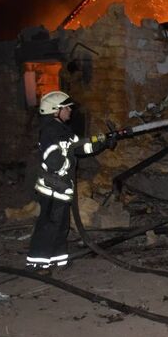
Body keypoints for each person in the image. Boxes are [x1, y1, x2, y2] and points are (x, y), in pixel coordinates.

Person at [26, 90, 114, 271]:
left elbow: (82, 147)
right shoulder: (50, 132)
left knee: (60, 225)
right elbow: (53, 160)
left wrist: (104, 141)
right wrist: (66, 160)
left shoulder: (64, 131)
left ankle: (58, 260)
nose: (70, 111)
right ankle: (37, 263)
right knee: (49, 225)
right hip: (52, 188)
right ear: (55, 110)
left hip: (61, 188)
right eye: (66, 108)